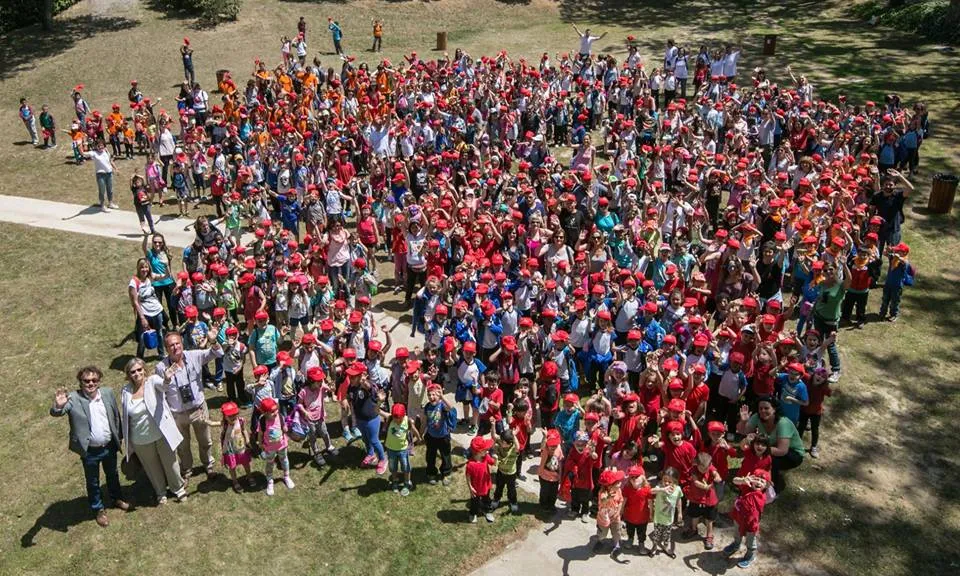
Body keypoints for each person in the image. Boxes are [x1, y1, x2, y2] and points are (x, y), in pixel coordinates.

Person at [50, 366, 130, 527]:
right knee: (92, 481)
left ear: (99, 381)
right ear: (80, 382)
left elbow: (115, 416)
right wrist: (58, 406)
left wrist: (119, 437)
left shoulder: (107, 393)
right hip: (90, 451)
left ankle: (116, 498)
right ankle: (98, 509)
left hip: (109, 446)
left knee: (112, 474)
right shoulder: (73, 398)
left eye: (94, 380)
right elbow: (57, 412)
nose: (91, 383)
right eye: (86, 381)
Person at [155, 330, 223, 478]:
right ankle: (187, 469)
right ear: (167, 349)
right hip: (178, 414)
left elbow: (218, 353)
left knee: (205, 440)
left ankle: (208, 464)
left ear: (182, 343)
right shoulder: (161, 367)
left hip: (198, 409)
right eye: (171, 345)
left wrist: (213, 341)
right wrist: (166, 380)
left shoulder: (194, 356)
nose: (175, 347)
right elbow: (159, 391)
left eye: (177, 343)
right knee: (183, 445)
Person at [120, 358, 187, 505]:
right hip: (140, 439)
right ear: (128, 375)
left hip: (161, 433)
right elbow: (126, 416)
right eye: (133, 372)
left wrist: (167, 379)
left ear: (144, 369)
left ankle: (178, 489)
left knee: (170, 462)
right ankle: (160, 492)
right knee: (151, 467)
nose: (137, 374)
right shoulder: (125, 391)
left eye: (139, 370)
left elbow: (163, 386)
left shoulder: (153, 380)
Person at [737, 396, 804, 501]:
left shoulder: (783, 423)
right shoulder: (757, 417)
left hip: (793, 454)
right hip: (773, 448)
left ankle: (772, 490)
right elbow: (743, 431)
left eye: (766, 408)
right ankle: (755, 479)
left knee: (771, 461)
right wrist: (743, 421)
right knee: (759, 455)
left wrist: (757, 449)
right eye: (760, 408)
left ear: (774, 409)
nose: (763, 411)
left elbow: (782, 451)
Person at [724, 468, 771, 568]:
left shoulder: (761, 496)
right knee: (737, 533)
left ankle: (750, 556)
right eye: (756, 479)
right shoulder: (746, 486)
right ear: (751, 479)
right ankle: (736, 544)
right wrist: (743, 480)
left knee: (750, 541)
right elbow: (734, 480)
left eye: (762, 481)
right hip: (738, 517)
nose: (758, 482)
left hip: (751, 523)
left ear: (766, 485)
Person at [256, 397, 295, 495]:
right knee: (270, 463)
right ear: (265, 413)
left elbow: (283, 427)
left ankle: (286, 476)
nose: (276, 412)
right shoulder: (262, 421)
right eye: (272, 411)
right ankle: (270, 480)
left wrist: (286, 428)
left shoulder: (280, 416)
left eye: (276, 409)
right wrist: (260, 444)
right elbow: (260, 434)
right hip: (269, 448)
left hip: (282, 445)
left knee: (284, 460)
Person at [219, 401, 253, 492]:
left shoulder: (241, 421)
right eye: (229, 416)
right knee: (232, 466)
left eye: (234, 414)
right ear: (225, 416)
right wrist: (206, 421)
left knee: (246, 463)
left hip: (241, 446)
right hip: (230, 449)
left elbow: (244, 430)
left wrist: (248, 440)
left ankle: (249, 476)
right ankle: (235, 482)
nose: (233, 417)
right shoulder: (225, 424)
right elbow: (214, 424)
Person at [649, 467, 683, 558]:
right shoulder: (660, 487)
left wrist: (680, 513)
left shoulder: (678, 489)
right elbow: (651, 491)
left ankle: (665, 546)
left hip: (669, 519)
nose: (666, 483)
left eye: (670, 481)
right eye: (665, 480)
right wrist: (662, 489)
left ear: (675, 481)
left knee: (667, 535)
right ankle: (654, 546)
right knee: (656, 534)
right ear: (662, 479)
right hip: (658, 518)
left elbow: (679, 500)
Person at [465, 435, 497, 523]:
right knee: (474, 503)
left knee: (487, 500)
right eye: (485, 449)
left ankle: (487, 511)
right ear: (478, 452)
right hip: (476, 488)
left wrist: (495, 458)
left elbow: (493, 463)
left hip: (486, 486)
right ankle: (473, 513)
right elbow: (468, 476)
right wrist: (470, 487)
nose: (487, 451)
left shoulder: (486, 457)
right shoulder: (470, 464)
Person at [83, 140, 119, 211]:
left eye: (102, 145)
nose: (100, 147)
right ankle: (102, 206)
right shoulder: (94, 153)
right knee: (102, 191)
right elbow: (84, 154)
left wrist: (116, 169)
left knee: (110, 190)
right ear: (96, 146)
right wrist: (79, 147)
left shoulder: (106, 151)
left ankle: (110, 203)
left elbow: (110, 161)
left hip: (109, 173)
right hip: (100, 175)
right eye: (99, 146)